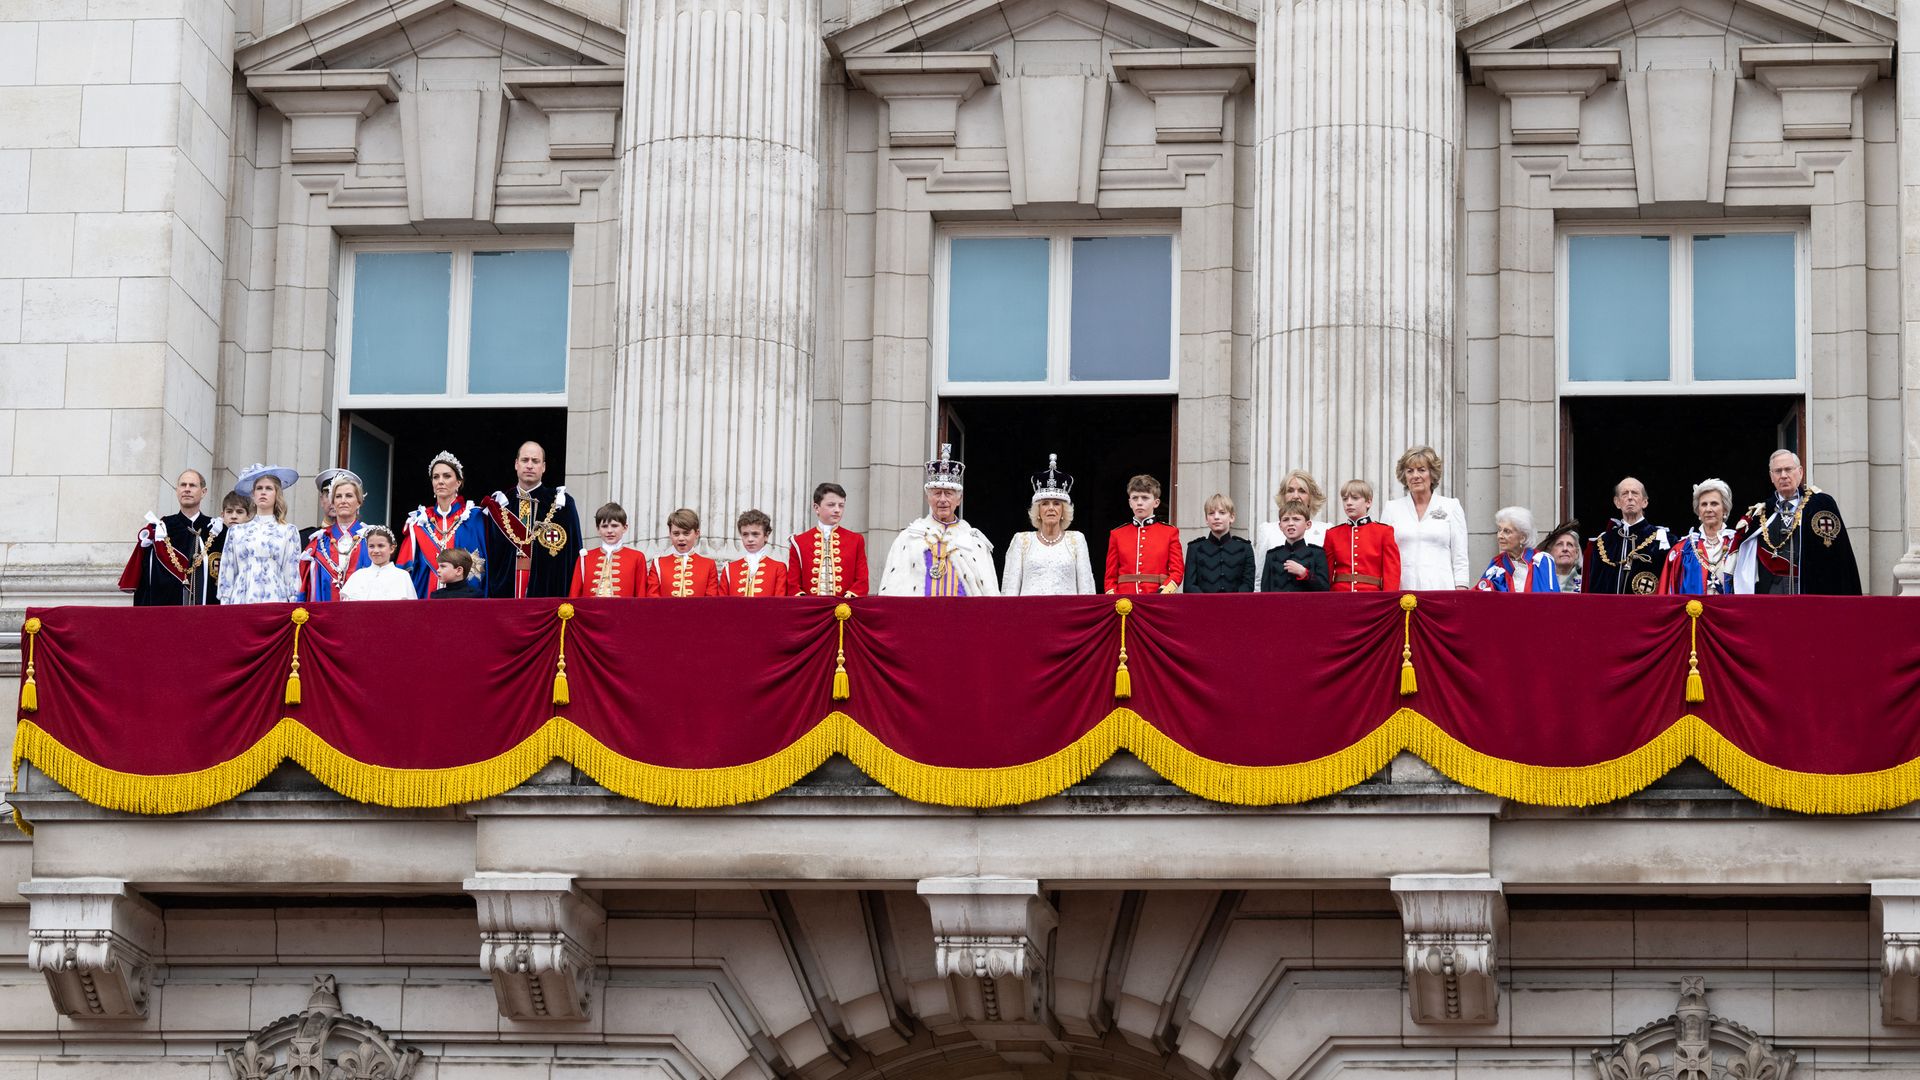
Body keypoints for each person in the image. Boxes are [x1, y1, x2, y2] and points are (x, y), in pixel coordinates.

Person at [1732, 450, 1863, 595]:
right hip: (1771, 592)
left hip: (1811, 589)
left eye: (1788, 469)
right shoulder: (1761, 513)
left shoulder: (1821, 505)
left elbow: (1839, 556)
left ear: (1800, 472)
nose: (1783, 475)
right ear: (1771, 477)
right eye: (1778, 471)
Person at [879, 444, 998, 596]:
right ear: (928, 498)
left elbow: (988, 592)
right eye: (937, 493)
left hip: (963, 616)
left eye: (948, 493)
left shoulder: (975, 542)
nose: (942, 499)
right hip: (921, 616)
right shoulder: (909, 537)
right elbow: (892, 587)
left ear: (959, 499)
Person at [482, 441, 582, 599]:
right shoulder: (499, 505)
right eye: (525, 460)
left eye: (535, 461)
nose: (529, 465)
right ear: (516, 464)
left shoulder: (562, 504)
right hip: (503, 596)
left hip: (548, 595)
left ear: (543, 467)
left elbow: (574, 555)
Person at [120, 469, 220, 606]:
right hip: (165, 613)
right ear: (177, 490)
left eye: (192, 485)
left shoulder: (216, 530)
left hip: (206, 615)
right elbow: (145, 580)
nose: (187, 489)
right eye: (183, 485)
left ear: (203, 492)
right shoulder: (160, 529)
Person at [1001, 454, 1097, 596]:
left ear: (1063, 510)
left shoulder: (1077, 540)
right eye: (1045, 503)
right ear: (1038, 511)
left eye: (1056, 503)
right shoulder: (1022, 540)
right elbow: (1010, 591)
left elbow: (1086, 590)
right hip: (1029, 615)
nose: (1051, 508)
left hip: (1068, 616)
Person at [397, 451, 489, 598]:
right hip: (428, 599)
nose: (440, 481)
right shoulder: (419, 522)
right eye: (435, 477)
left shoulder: (475, 517)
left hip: (468, 600)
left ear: (459, 482)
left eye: (447, 476)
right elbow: (403, 572)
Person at [1379, 446, 1470, 590]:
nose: (1415, 475)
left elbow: (1460, 555)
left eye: (1421, 470)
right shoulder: (1391, 508)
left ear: (1432, 474)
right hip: (1402, 590)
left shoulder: (1451, 506)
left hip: (1441, 589)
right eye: (1410, 471)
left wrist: (1461, 587)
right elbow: (1382, 555)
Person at [217, 464, 303, 605]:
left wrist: (294, 603)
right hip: (241, 599)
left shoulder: (288, 531)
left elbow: (292, 573)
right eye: (259, 488)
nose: (263, 492)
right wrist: (225, 602)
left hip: (276, 599)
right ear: (253, 494)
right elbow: (228, 570)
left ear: (277, 494)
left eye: (268, 488)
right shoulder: (236, 531)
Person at [1582, 476, 1673, 595]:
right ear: (1617, 502)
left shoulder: (1663, 540)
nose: (1630, 497)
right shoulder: (1603, 543)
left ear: (1645, 502)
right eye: (1624, 494)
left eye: (1635, 493)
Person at [1659, 480, 1743, 596]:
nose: (1708, 509)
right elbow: (1668, 593)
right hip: (1692, 612)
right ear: (1698, 511)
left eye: (1714, 504)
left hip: (1728, 612)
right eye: (1704, 504)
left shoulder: (1738, 545)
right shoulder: (1683, 549)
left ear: (1725, 509)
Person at [299, 470, 372, 603]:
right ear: (333, 502)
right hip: (326, 615)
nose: (343, 501)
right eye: (338, 496)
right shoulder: (318, 542)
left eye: (349, 496)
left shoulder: (371, 539)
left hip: (362, 615)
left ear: (359, 502)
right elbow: (306, 588)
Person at [1104, 474, 1184, 595]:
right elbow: (1110, 576)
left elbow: (1177, 571)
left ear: (1156, 503)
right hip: (1124, 600)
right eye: (1135, 498)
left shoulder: (1169, 532)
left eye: (1145, 498)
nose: (1139, 503)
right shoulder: (1117, 534)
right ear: (1130, 503)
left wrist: (1164, 592)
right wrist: (1115, 598)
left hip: (1158, 598)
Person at [788, 482, 869, 597]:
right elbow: (792, 585)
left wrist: (848, 598)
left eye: (841, 505)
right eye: (831, 505)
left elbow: (862, 581)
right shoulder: (799, 542)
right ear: (816, 508)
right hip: (810, 610)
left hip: (845, 608)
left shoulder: (856, 540)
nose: (837, 510)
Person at [1253, 470, 1330, 589]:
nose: (1295, 496)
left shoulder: (1326, 530)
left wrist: (1305, 573)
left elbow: (1326, 582)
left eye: (1302, 491)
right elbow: (1259, 579)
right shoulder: (1267, 530)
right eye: (1290, 490)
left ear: (1311, 497)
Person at [1324, 479, 1401, 593]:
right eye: (1345, 499)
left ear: (1368, 502)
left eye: (1355, 498)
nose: (1348, 502)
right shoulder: (1332, 534)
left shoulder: (1384, 532)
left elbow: (1392, 572)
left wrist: (1387, 600)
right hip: (1339, 597)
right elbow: (1327, 573)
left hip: (1371, 597)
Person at [572, 502, 653, 598]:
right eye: (604, 526)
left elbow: (641, 594)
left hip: (623, 612)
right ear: (598, 529)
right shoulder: (585, 558)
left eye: (614, 526)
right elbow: (574, 595)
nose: (609, 531)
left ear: (625, 528)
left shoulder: (637, 557)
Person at [1475, 506, 1559, 593]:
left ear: (1522, 537)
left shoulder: (1542, 561)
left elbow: (1552, 598)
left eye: (1507, 531)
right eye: (1499, 530)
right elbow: (1479, 595)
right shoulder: (1497, 563)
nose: (1500, 536)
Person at [1183, 493, 1255, 594]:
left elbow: (1248, 585)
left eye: (1222, 512)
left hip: (1236, 606)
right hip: (1203, 607)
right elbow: (1189, 586)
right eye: (1211, 513)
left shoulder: (1245, 548)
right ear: (1206, 519)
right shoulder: (1195, 548)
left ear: (1232, 517)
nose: (1216, 517)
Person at [653, 508, 724, 598]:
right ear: (670, 534)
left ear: (697, 533)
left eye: (686, 533)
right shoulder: (658, 564)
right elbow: (653, 598)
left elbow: (711, 600)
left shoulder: (708, 565)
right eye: (676, 533)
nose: (681, 538)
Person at [1260, 502, 1330, 592]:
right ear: (1280, 526)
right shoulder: (1272, 555)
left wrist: (1304, 573)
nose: (1290, 523)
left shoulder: (1317, 554)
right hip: (1278, 605)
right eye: (1285, 520)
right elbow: (1265, 591)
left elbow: (1324, 588)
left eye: (1296, 519)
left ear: (1308, 525)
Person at [341, 527, 419, 601]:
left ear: (392, 548)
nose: (376, 550)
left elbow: (411, 609)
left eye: (381, 546)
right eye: (371, 546)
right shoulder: (358, 575)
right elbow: (347, 609)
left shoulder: (402, 576)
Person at [724, 509, 789, 597]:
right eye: (745, 534)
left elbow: (779, 604)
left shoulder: (778, 568)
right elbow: (722, 604)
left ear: (766, 536)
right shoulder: (729, 569)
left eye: (755, 534)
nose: (750, 539)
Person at [204, 490, 252, 600]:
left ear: (248, 515)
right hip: (213, 600)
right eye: (229, 511)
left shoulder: (252, 541)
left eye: (239, 512)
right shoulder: (212, 539)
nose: (234, 516)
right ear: (222, 514)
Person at [1542, 520, 1582, 593]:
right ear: (1550, 552)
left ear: (1576, 554)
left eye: (1569, 545)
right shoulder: (1541, 582)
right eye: (1560, 544)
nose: (1565, 549)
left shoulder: (1586, 584)